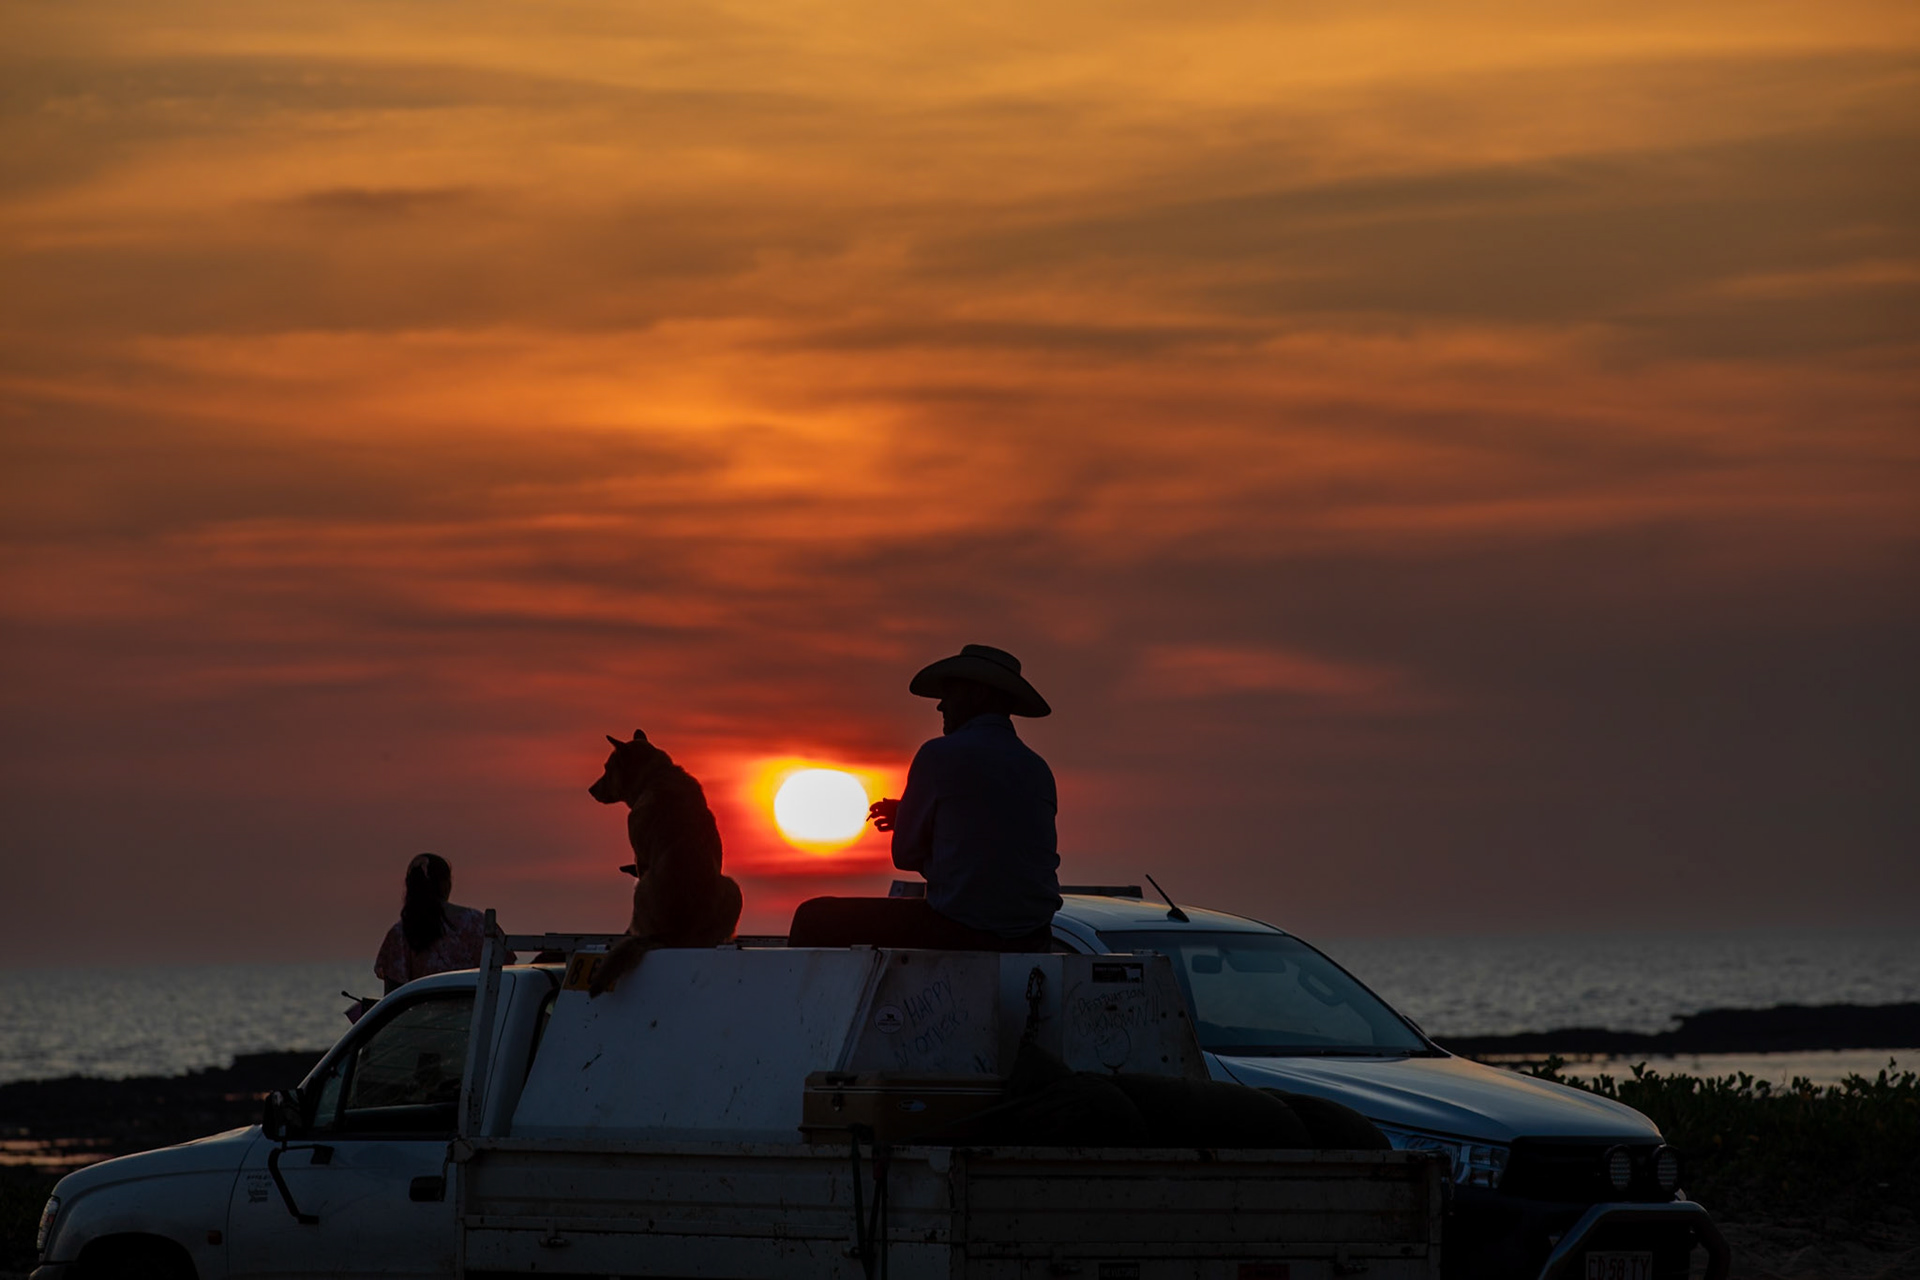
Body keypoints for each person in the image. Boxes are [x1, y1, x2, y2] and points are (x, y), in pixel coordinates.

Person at [865, 643, 1062, 950]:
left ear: (978, 694)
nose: (941, 706)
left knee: (816, 918)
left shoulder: (937, 755)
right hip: (1033, 935)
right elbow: (993, 831)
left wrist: (912, 824)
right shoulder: (1037, 768)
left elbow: (905, 856)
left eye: (950, 694)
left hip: (960, 929)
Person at [372, 853, 508, 993]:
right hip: (475, 1005)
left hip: (426, 1007)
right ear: (445, 885)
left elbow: (393, 995)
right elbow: (505, 973)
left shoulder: (400, 933)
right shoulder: (477, 922)